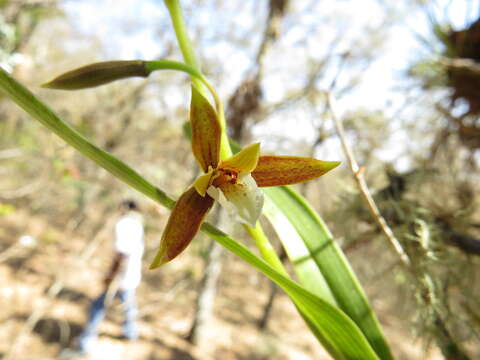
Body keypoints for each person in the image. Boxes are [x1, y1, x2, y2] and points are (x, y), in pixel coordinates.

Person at [78, 199, 145, 354]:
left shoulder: (125, 223)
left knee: (98, 306)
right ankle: (130, 332)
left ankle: (85, 342)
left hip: (121, 275)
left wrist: (111, 275)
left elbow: (122, 252)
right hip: (131, 275)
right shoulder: (137, 224)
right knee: (128, 304)